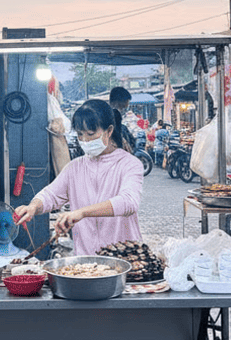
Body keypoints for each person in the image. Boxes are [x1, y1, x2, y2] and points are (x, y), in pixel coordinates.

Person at [13, 99, 143, 255]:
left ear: (109, 131)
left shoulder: (129, 164)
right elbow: (51, 194)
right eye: (80, 135)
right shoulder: (75, 167)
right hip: (87, 262)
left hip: (125, 259)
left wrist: (82, 212)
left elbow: (128, 202)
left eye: (91, 134)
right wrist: (33, 206)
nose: (85, 140)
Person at [108, 86, 136, 153]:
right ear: (121, 101)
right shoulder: (115, 114)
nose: (127, 106)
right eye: (127, 102)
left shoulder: (108, 112)